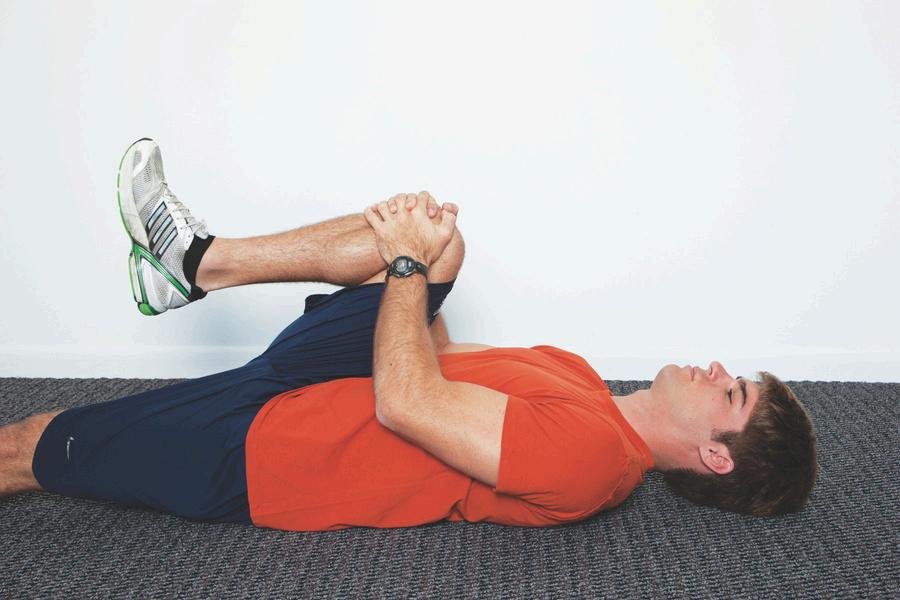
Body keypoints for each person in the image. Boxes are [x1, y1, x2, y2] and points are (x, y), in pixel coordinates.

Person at [0, 139, 817, 531]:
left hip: (276, 453)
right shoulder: (580, 378)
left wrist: (401, 265)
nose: (717, 369)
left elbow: (407, 405)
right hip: (330, 383)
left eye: (732, 393)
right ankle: (198, 263)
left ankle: (193, 268)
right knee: (442, 242)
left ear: (715, 456)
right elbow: (437, 362)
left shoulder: (594, 459)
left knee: (35, 445)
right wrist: (420, 263)